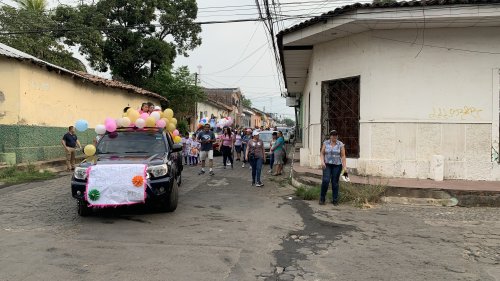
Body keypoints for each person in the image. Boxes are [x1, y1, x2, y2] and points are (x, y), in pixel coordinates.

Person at [319, 130, 347, 205]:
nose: (334, 136)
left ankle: (335, 200)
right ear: (330, 136)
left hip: (337, 165)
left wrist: (344, 167)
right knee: (325, 180)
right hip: (327, 165)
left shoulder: (340, 144)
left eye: (335, 135)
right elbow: (322, 153)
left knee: (335, 182)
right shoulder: (325, 143)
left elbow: (343, 156)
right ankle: (322, 198)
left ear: (337, 136)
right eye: (332, 135)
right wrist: (322, 161)